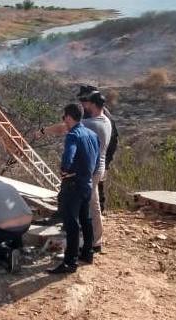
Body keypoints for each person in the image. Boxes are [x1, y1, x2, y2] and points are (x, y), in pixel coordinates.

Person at [48, 103, 99, 274]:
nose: (64, 121)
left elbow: (68, 157)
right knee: (86, 220)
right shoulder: (92, 134)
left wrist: (65, 171)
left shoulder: (73, 135)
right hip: (87, 184)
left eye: (64, 118)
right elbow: (97, 159)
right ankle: (87, 253)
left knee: (71, 224)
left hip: (73, 185)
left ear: (69, 117)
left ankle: (70, 262)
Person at [78, 90, 112, 252]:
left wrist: (44, 131)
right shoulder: (106, 120)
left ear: (92, 104)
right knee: (94, 204)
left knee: (91, 205)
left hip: (91, 170)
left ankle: (93, 241)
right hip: (99, 168)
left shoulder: (90, 124)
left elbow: (67, 127)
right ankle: (94, 239)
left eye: (87, 102)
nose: (85, 105)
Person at [77, 85, 119, 213]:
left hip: (98, 160)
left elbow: (113, 139)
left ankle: (96, 217)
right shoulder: (89, 113)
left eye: (84, 100)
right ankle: (97, 218)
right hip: (94, 160)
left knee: (94, 190)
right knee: (93, 191)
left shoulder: (101, 116)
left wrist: (106, 161)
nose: (82, 103)